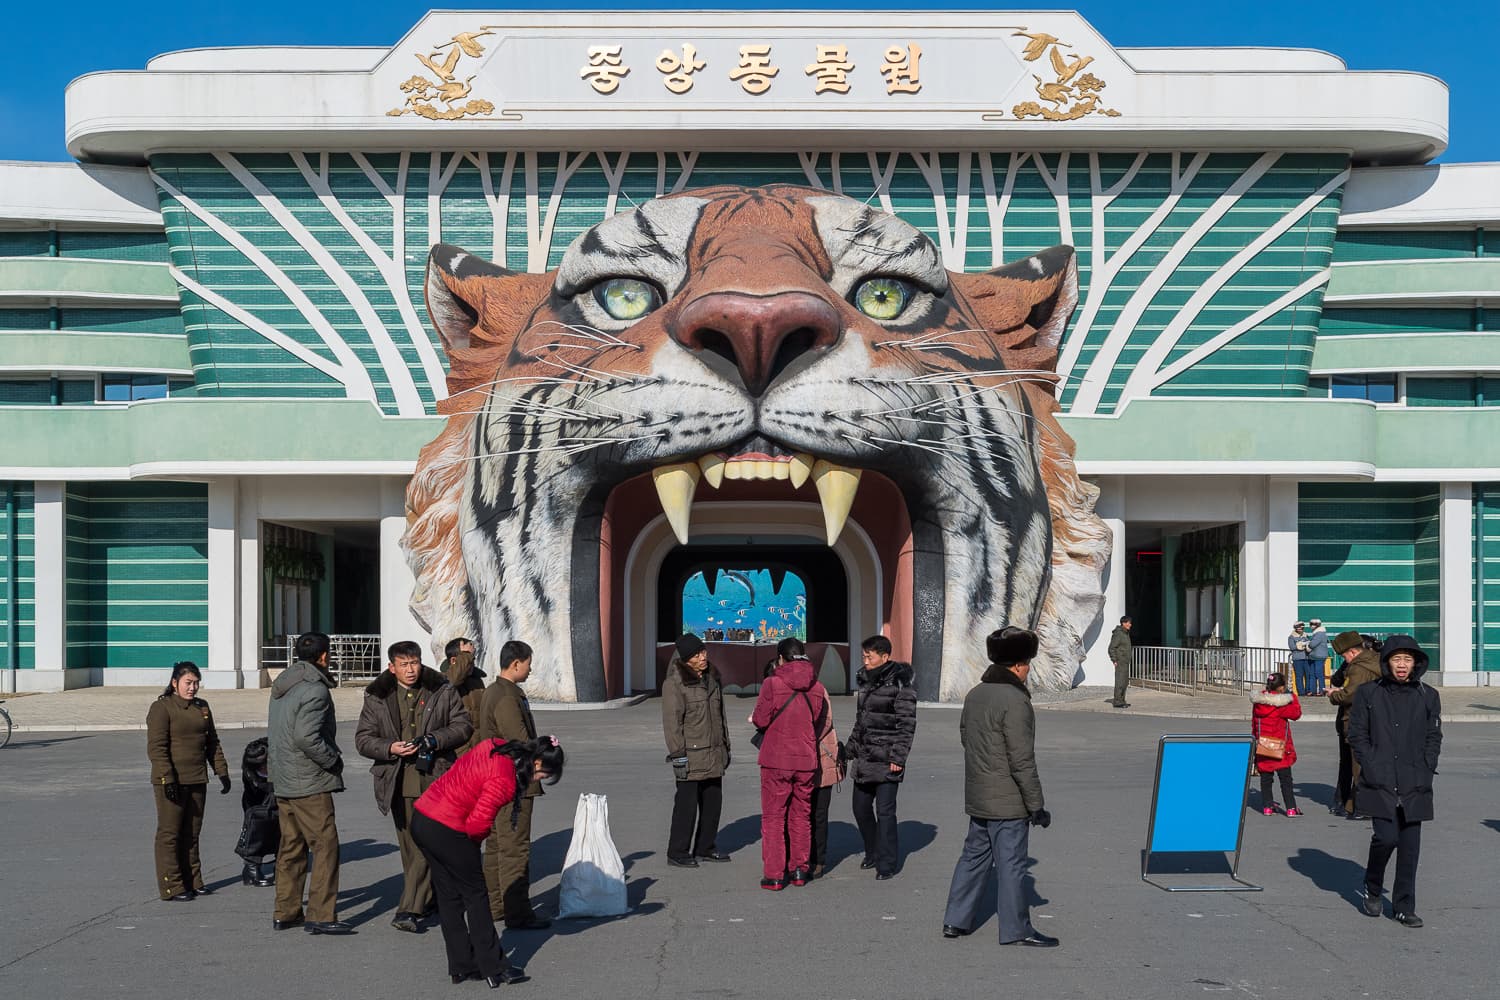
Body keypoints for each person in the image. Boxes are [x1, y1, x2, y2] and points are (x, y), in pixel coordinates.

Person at [413, 735, 564, 986]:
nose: (539, 781)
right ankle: (494, 966)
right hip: (448, 827)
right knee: (476, 896)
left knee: (448, 895)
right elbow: (477, 824)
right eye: (543, 776)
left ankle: (462, 965)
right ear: (537, 764)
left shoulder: (495, 747)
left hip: (423, 817)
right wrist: (470, 848)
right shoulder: (504, 782)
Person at [941, 627, 1057, 948]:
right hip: (1008, 800)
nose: (1028, 668)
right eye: (1027, 663)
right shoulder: (1016, 700)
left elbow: (967, 739)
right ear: (1019, 665)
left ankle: (955, 920)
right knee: (1012, 865)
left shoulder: (975, 694)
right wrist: (1037, 805)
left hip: (978, 794)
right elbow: (1022, 759)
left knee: (973, 857)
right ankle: (1017, 929)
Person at [354, 640, 473, 932]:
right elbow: (363, 739)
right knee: (409, 847)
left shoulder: (441, 689)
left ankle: (409, 909)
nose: (411, 670)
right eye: (404, 665)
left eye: (415, 663)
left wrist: (435, 740)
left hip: (435, 778)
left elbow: (463, 726)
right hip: (397, 781)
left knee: (424, 844)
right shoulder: (377, 696)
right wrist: (390, 747)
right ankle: (430, 900)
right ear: (391, 668)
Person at [1349, 635, 1442, 928]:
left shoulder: (1428, 695)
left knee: (1410, 846)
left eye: (1407, 659)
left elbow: (1433, 735)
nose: (1402, 665)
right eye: (1396, 659)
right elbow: (1357, 734)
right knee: (1387, 838)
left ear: (1416, 663)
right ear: (1387, 662)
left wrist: (1428, 765)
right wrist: (1371, 764)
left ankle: (1404, 906)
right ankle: (1373, 885)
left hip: (1415, 779)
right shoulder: (1368, 693)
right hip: (1381, 779)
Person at [267, 631, 351, 935]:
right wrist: (331, 759)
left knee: (291, 846)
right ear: (325, 656)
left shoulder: (284, 685)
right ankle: (321, 914)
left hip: (284, 777)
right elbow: (306, 736)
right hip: (309, 780)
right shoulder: (315, 690)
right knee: (325, 846)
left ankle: (286, 911)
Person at [477, 639, 551, 929]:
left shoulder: (494, 691)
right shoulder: (507, 696)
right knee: (514, 847)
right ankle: (518, 913)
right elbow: (519, 740)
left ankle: (496, 905)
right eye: (529, 664)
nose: (530, 670)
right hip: (514, 779)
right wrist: (541, 760)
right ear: (516, 663)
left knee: (497, 844)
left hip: (494, 778)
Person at [146, 661, 230, 902]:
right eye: (188, 683)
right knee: (170, 833)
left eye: (196, 683)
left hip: (196, 777)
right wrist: (166, 778)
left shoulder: (202, 707)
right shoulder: (162, 708)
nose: (192, 688)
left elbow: (212, 741)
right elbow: (157, 747)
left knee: (192, 833)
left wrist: (221, 770)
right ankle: (171, 885)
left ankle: (193, 880)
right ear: (174, 683)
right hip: (171, 780)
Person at [751, 637, 828, 890]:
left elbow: (761, 720)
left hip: (776, 759)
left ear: (780, 658)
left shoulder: (772, 683)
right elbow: (817, 721)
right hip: (806, 760)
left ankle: (774, 874)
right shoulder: (817, 687)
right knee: (801, 816)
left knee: (774, 817)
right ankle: (799, 870)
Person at [845, 635, 917, 880]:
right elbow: (860, 723)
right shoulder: (865, 682)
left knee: (885, 813)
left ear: (884, 657)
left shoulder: (900, 685)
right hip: (865, 759)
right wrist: (848, 751)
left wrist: (899, 757)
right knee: (860, 809)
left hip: (888, 759)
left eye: (870, 656)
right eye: (864, 655)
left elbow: (907, 725)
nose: (865, 659)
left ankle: (886, 863)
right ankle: (873, 850)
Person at [661, 632, 731, 869]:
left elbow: (721, 717)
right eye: (697, 654)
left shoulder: (712, 679)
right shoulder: (674, 685)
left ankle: (706, 847)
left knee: (713, 804)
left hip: (714, 752)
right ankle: (677, 852)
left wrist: (726, 746)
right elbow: (672, 724)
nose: (704, 656)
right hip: (691, 755)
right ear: (686, 659)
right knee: (686, 807)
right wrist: (678, 755)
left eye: (703, 651)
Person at [1329, 630, 1382, 818]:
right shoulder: (1375, 661)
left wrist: (1334, 694)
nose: (1345, 659)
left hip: (1356, 720)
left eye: (1344, 656)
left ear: (1352, 652)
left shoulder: (1358, 668)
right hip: (1373, 719)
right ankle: (1354, 805)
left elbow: (1350, 694)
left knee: (1357, 765)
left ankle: (1363, 806)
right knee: (1363, 763)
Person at [810, 663, 845, 879]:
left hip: (822, 759)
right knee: (801, 814)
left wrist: (799, 737)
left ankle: (818, 859)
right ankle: (802, 857)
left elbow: (825, 722)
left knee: (819, 814)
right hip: (799, 759)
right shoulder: (786, 688)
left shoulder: (819, 690)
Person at [1251, 672, 1302, 816]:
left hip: (1264, 743)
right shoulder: (1283, 703)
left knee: (1266, 778)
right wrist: (1293, 698)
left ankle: (1267, 806)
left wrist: (1256, 741)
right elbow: (1296, 714)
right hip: (1281, 744)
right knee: (1285, 779)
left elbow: (1254, 724)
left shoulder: (1259, 702)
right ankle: (1291, 808)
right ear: (1281, 687)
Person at [235, 736, 278, 887]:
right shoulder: (249, 768)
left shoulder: (275, 751)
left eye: (264, 765)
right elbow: (259, 787)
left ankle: (281, 866)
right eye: (259, 767)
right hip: (255, 801)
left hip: (278, 797)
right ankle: (251, 868)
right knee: (257, 832)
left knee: (285, 831)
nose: (262, 769)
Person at [444, 637, 486, 755]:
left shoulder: (477, 681)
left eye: (472, 658)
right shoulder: (444, 679)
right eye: (468, 658)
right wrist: (466, 654)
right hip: (459, 749)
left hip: (479, 746)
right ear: (453, 660)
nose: (471, 662)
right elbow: (453, 680)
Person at [1107, 616, 1132, 708]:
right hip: (1120, 661)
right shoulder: (1119, 634)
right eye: (1128, 623)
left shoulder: (1125, 633)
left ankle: (1122, 700)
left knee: (1125, 682)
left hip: (1125, 661)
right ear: (1123, 623)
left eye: (1130, 623)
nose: (1130, 624)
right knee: (1120, 681)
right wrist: (1114, 660)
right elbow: (1111, 648)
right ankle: (1117, 702)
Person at [1288, 621, 1313, 696]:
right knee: (1299, 676)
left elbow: (1310, 644)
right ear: (1296, 628)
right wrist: (1299, 646)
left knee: (1308, 675)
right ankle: (1301, 692)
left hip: (1306, 658)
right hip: (1297, 659)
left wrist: (1307, 646)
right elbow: (1292, 647)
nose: (1301, 630)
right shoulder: (1291, 637)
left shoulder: (1306, 636)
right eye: (1299, 628)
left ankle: (1308, 691)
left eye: (1302, 628)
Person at [1307, 619, 1330, 695]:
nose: (1311, 626)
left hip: (1319, 656)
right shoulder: (1317, 633)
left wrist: (1307, 644)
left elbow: (1312, 644)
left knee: (1319, 674)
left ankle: (1322, 691)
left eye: (1313, 625)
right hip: (1314, 656)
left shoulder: (1319, 633)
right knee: (1313, 674)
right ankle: (1313, 691)